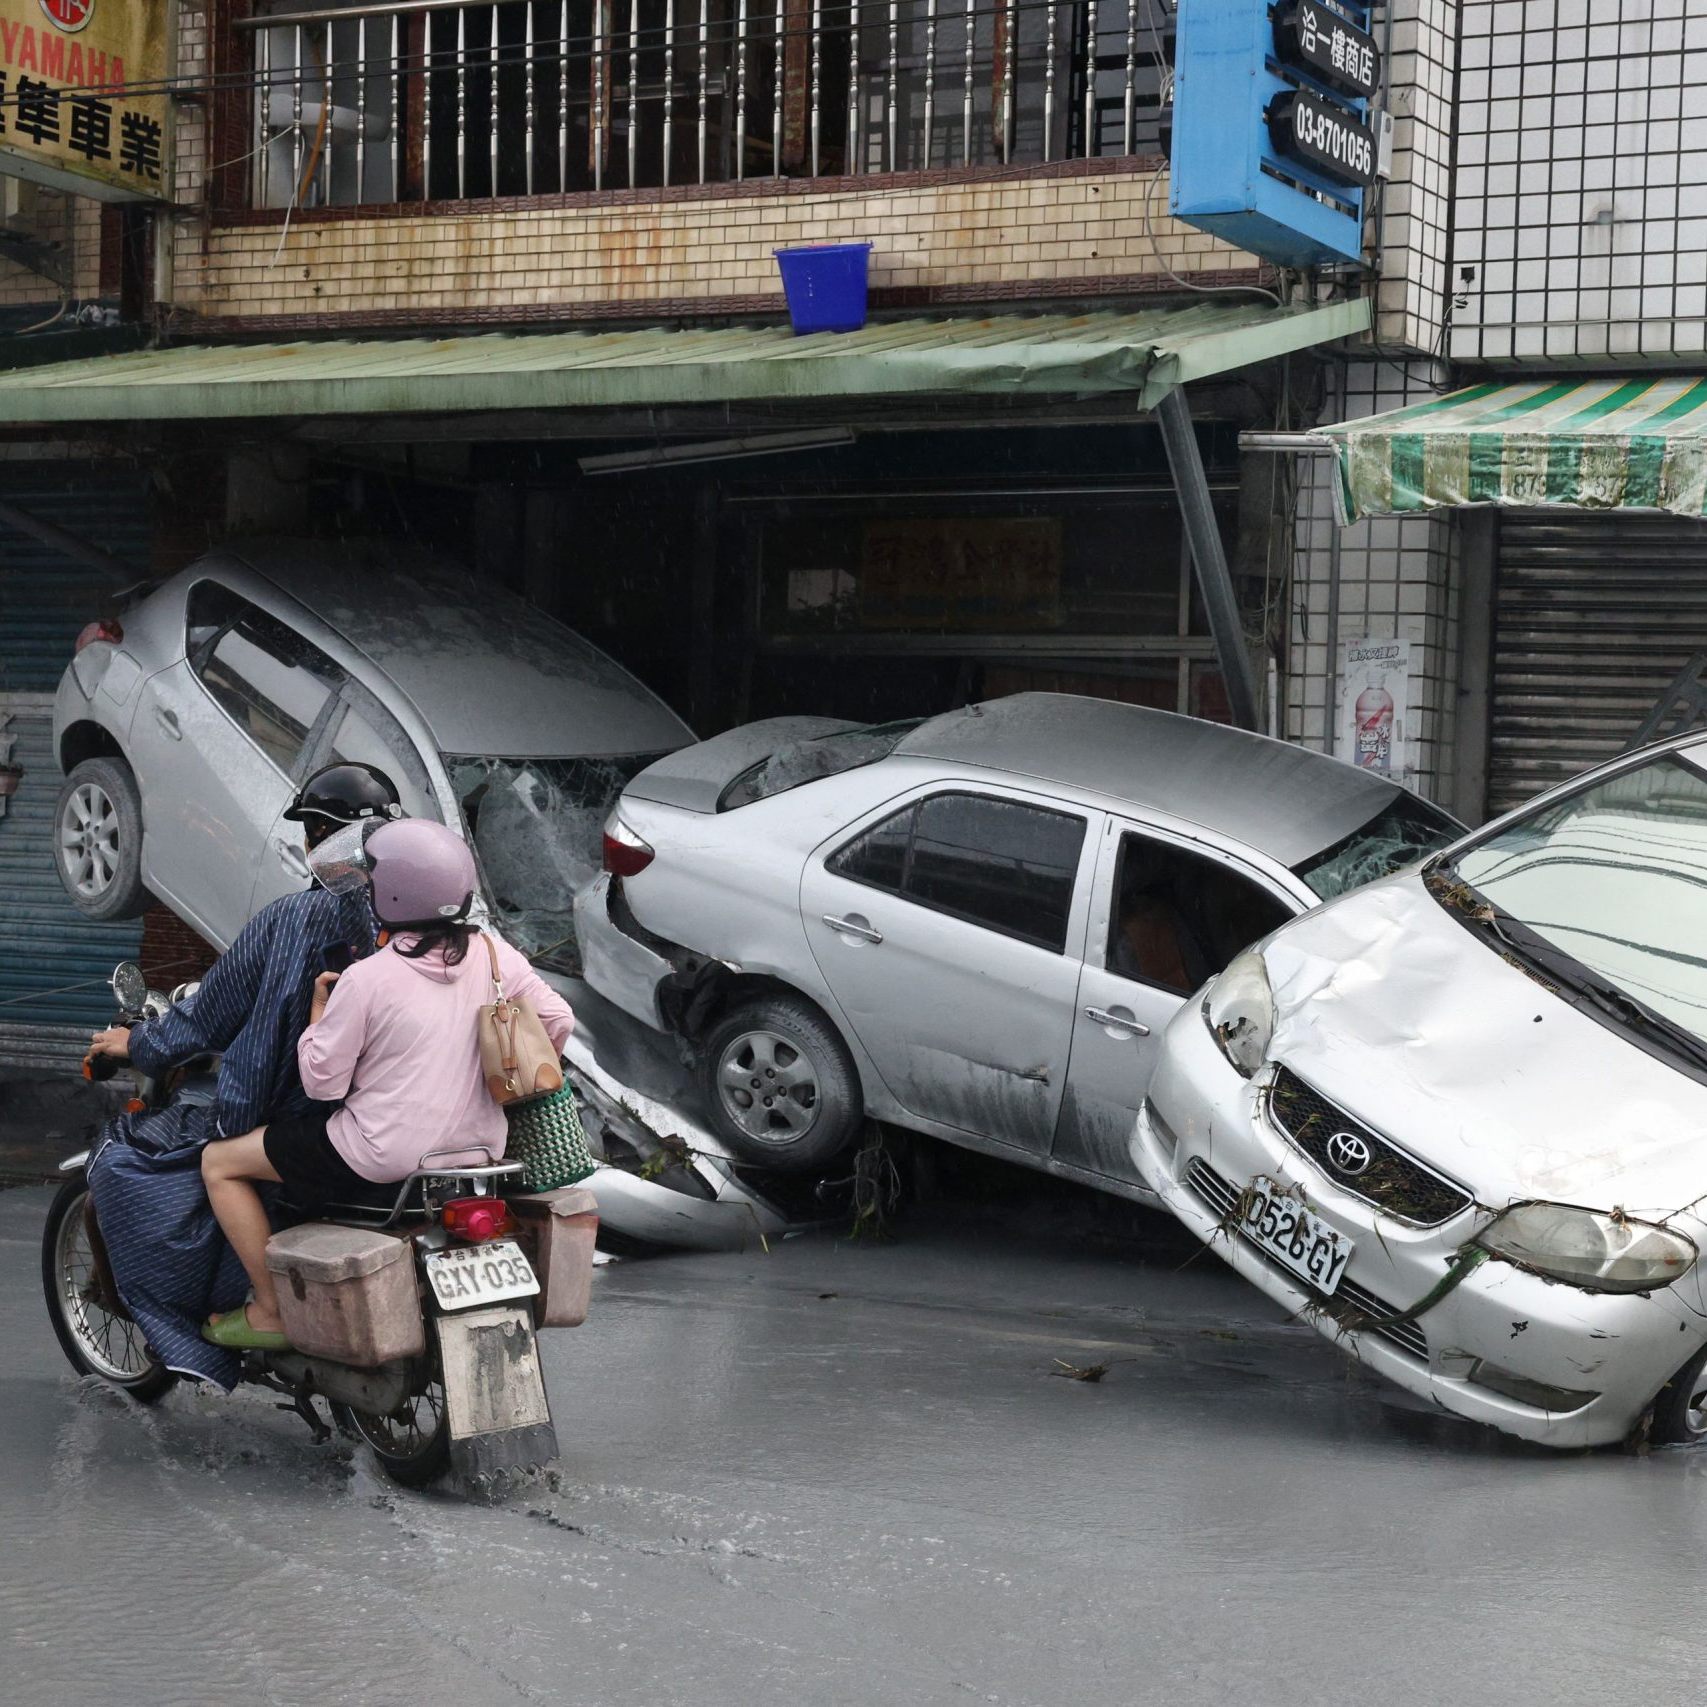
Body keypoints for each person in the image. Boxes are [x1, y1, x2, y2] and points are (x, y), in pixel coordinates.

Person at [199, 817, 575, 1350]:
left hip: (378, 1158)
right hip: (479, 1155)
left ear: (389, 896)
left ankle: (269, 1309)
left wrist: (317, 1016)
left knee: (219, 1162)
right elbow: (558, 1021)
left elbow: (323, 1085)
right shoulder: (496, 956)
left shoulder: (366, 979)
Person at [84, 761, 405, 1387]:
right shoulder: (447, 937)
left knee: (136, 1163)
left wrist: (139, 1043)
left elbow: (208, 1017)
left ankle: (262, 1308)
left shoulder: (294, 920)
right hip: (442, 1131)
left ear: (317, 838)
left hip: (330, 1128)